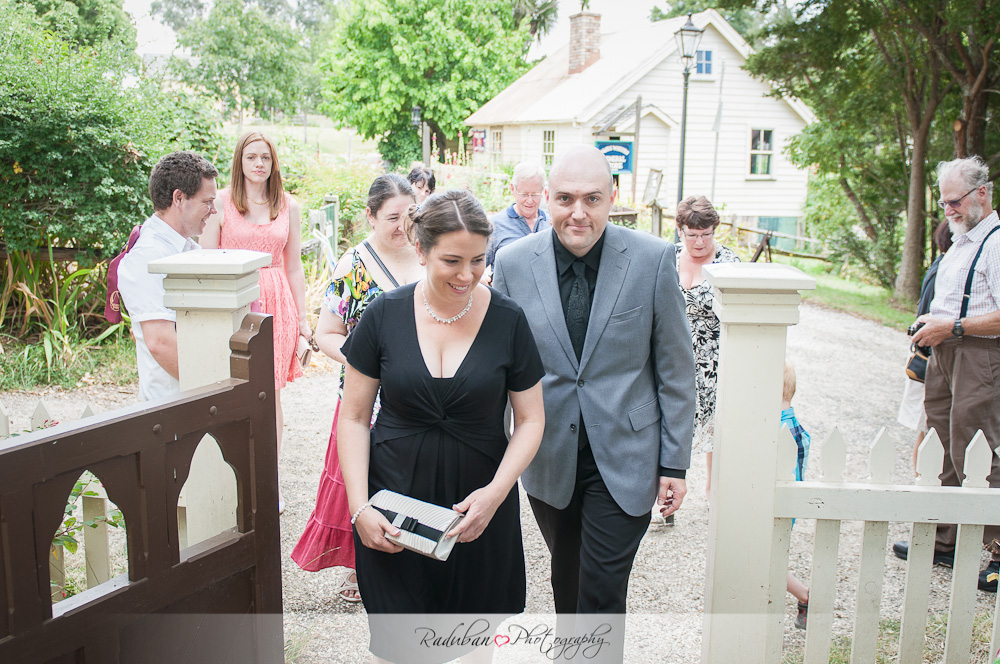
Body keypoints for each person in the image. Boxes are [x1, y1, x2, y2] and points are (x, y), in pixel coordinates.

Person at [492, 145, 695, 658]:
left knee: (601, 590)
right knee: (567, 586)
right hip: (548, 457)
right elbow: (501, 367)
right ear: (548, 200)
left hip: (627, 457)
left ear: (612, 199)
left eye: (591, 199)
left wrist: (675, 461)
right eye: (564, 199)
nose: (577, 212)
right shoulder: (513, 262)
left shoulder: (652, 260)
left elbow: (675, 369)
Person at [339, 189, 545, 663]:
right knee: (402, 649)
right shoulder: (383, 314)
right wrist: (358, 510)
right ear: (421, 249)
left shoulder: (509, 320)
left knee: (471, 649)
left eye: (478, 260)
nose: (468, 274)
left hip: (475, 511)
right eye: (453, 260)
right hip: (392, 509)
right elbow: (352, 417)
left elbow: (532, 420)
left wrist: (495, 494)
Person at [291, 174, 423, 603]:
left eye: (410, 215)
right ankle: (364, 562)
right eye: (392, 217)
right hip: (370, 399)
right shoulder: (354, 264)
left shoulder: (428, 253)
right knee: (368, 477)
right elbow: (327, 332)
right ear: (369, 216)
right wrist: (366, 361)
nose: (403, 226)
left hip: (421, 393)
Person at [892, 156, 1000, 592]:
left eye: (955, 201)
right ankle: (947, 540)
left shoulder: (995, 242)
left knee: (980, 450)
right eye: (944, 202)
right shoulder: (960, 240)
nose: (948, 210)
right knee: (941, 443)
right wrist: (928, 325)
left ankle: (997, 553)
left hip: (979, 355)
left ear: (982, 193)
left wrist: (952, 327)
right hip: (943, 354)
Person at [200, 131, 308, 514]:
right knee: (233, 389)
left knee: (270, 393)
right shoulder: (223, 203)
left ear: (273, 162)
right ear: (240, 161)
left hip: (276, 301)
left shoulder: (288, 205)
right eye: (251, 157)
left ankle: (266, 481)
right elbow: (206, 259)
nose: (259, 164)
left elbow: (294, 267)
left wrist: (303, 323)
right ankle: (230, 480)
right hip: (236, 298)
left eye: (265, 157)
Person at [118, 151, 218, 402]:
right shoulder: (148, 256)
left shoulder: (184, 247)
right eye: (207, 201)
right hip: (173, 404)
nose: (214, 210)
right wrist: (216, 389)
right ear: (179, 198)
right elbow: (159, 342)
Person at [674, 194, 741, 502]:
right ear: (680, 231)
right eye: (692, 235)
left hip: (714, 357)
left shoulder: (730, 264)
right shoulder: (668, 258)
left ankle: (714, 490)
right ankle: (670, 485)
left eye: (706, 235)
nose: (699, 242)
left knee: (715, 422)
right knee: (673, 419)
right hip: (673, 352)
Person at [897, 220, 952, 472]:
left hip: (923, 358)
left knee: (926, 431)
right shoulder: (946, 270)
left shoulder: (937, 266)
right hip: (930, 361)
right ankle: (922, 479)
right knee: (929, 432)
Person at [781, 361, 811, 629]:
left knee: (767, 560)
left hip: (778, 506)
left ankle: (805, 596)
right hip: (784, 505)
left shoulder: (781, 430)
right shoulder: (794, 425)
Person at [485, 162, 550, 271]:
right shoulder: (494, 225)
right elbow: (476, 266)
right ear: (512, 189)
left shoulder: (550, 224)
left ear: (543, 192)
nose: (530, 200)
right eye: (524, 194)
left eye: (535, 195)